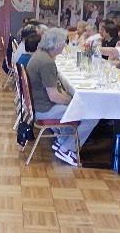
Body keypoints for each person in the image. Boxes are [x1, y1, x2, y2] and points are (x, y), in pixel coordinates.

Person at [26, 28, 99, 166]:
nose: (65, 46)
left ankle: (62, 143)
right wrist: (73, 102)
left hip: (37, 105)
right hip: (44, 110)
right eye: (64, 43)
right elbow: (54, 96)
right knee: (92, 115)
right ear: (57, 45)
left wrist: (69, 99)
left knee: (74, 104)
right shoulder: (46, 62)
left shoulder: (39, 55)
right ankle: (67, 149)